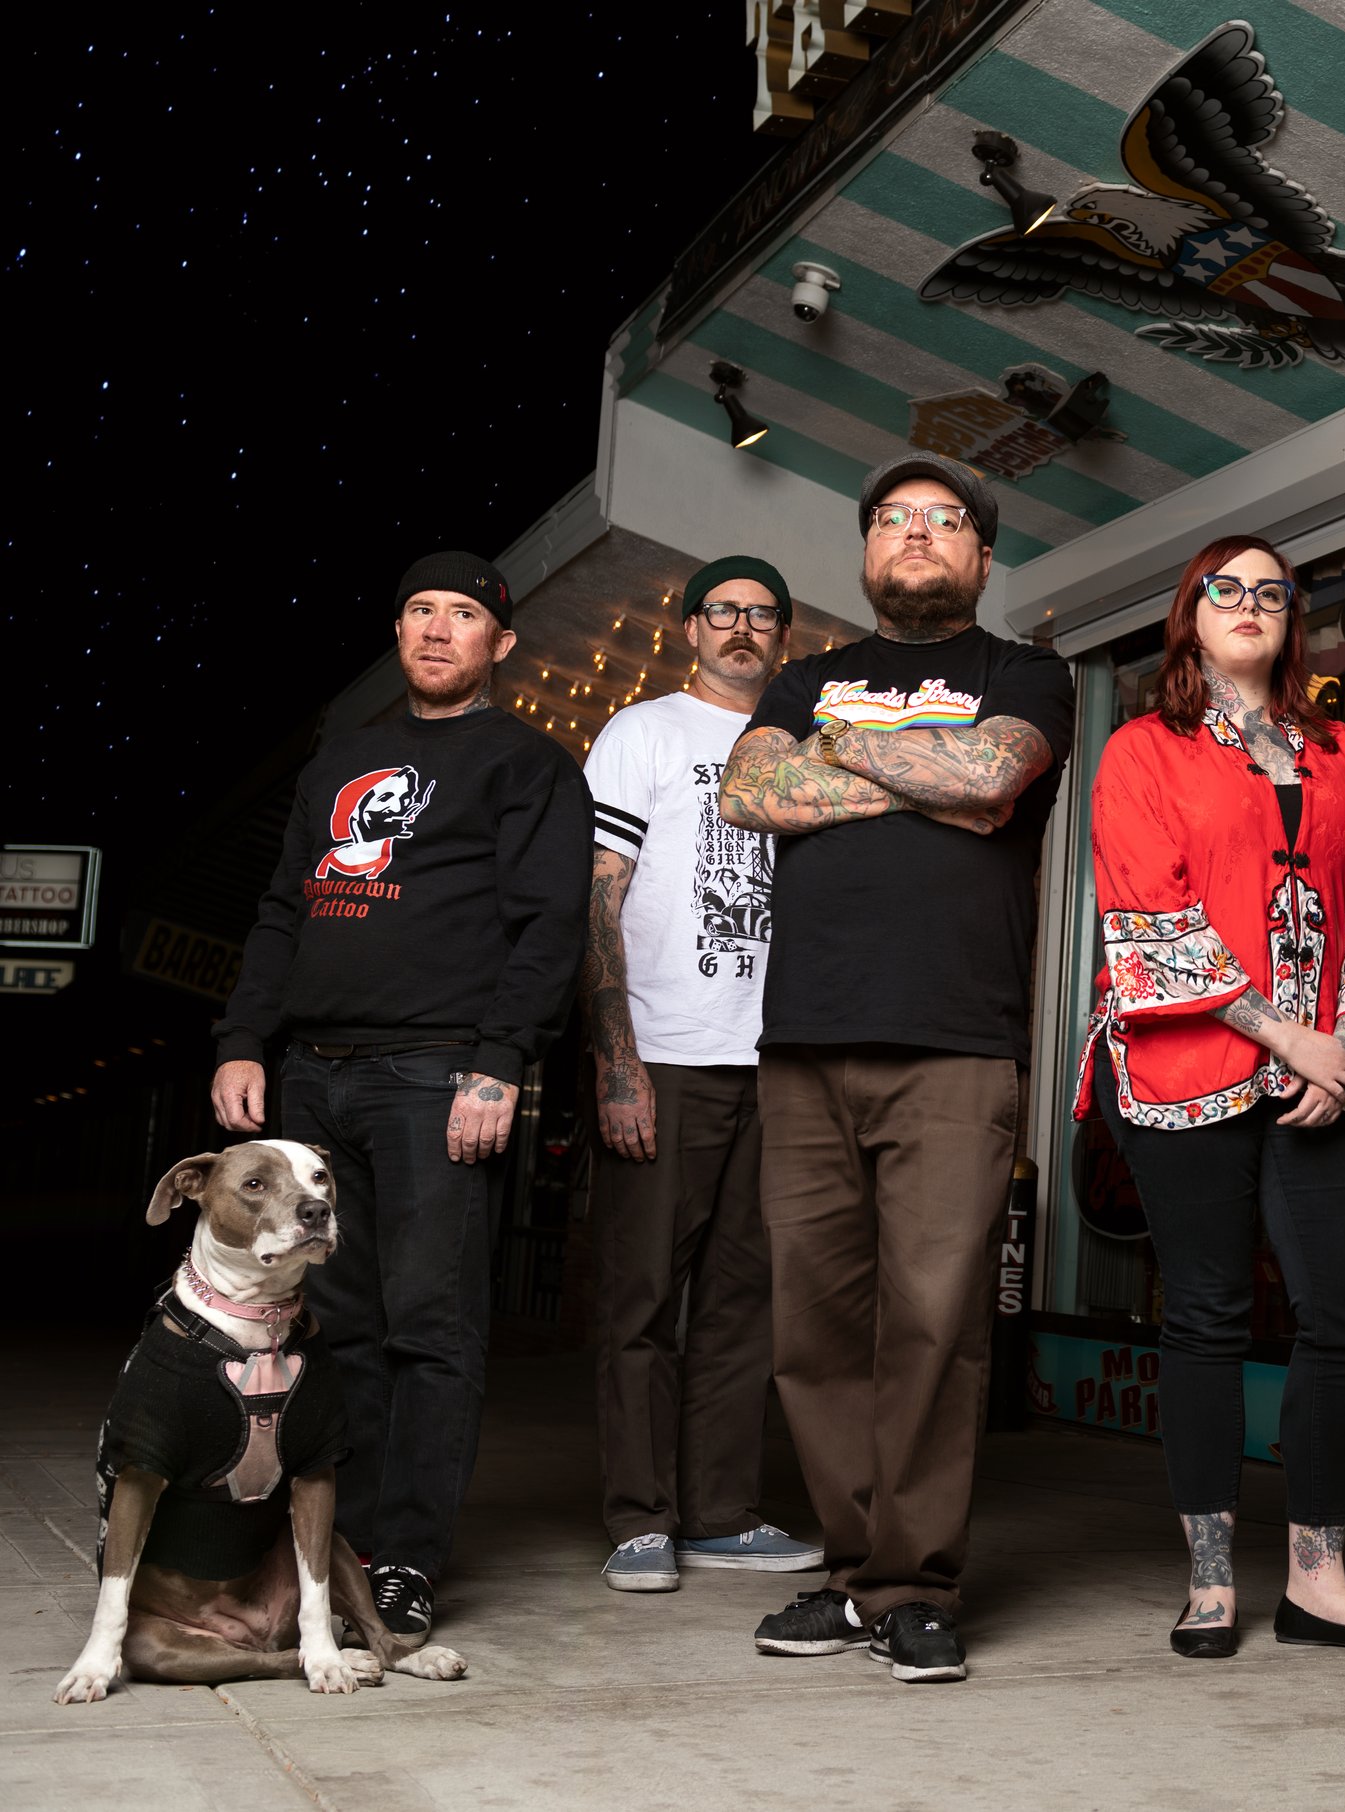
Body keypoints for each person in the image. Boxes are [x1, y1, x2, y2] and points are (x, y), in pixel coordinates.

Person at [719, 454, 1072, 1685]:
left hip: (955, 1042)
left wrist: (845, 763)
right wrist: (921, 775)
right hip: (804, 1039)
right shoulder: (807, 675)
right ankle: (849, 1568)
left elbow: (992, 778)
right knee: (813, 1328)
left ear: (979, 555)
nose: (915, 533)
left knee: (932, 1322)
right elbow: (748, 793)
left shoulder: (1023, 670)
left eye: (943, 520)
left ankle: (916, 1586)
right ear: (864, 552)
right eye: (891, 519)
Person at [211, 551, 591, 1641]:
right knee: (335, 1324)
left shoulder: (527, 764)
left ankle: (407, 1559)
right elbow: (286, 904)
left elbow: (546, 928)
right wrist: (244, 1038)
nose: (436, 629)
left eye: (462, 614)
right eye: (419, 610)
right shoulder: (345, 757)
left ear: (499, 645)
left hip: (435, 1077)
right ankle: (346, 1540)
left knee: (431, 1328)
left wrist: (501, 1060)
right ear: (398, 631)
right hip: (313, 1078)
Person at [1079, 533, 1345, 1661]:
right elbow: (1148, 910)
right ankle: (1206, 1581)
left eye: (1269, 593)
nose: (1247, 604)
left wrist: (1339, 1042)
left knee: (1342, 1314)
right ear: (1189, 616)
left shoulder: (1341, 753)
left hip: (1326, 1074)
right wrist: (1282, 1032)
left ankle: (1318, 1581)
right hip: (1187, 1067)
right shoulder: (1142, 749)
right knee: (1204, 1315)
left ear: (1292, 621)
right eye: (1222, 590)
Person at [580, 555, 825, 1592]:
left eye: (761, 615)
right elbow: (600, 894)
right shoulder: (644, 732)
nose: (740, 628)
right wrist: (617, 1058)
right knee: (640, 1296)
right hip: (668, 1052)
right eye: (722, 612)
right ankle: (640, 1517)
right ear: (690, 629)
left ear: (783, 637)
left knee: (745, 1298)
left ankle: (721, 1511)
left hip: (774, 1059)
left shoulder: (804, 749)